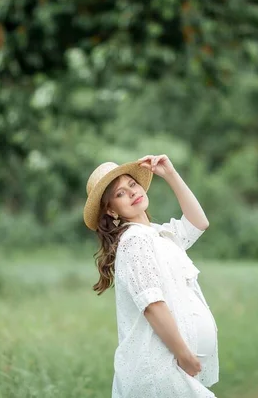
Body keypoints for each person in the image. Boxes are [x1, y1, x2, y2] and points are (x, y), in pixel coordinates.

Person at [83, 154, 219, 398]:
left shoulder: (158, 234)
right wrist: (184, 355)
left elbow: (199, 222)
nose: (131, 192)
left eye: (132, 185)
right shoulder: (134, 241)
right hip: (159, 369)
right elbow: (152, 304)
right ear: (111, 210)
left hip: (168, 371)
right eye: (120, 194)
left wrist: (170, 175)